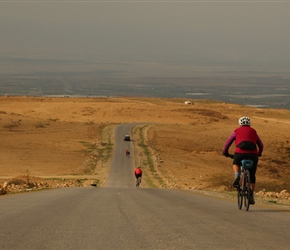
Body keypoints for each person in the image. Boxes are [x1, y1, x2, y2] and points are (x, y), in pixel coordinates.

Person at [223, 116, 264, 204]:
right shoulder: (253, 131)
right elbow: (260, 144)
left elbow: (228, 142)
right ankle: (251, 196)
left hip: (239, 153)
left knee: (236, 162)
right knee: (252, 175)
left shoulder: (236, 131)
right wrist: (259, 153)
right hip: (253, 154)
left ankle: (237, 175)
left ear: (240, 123)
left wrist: (225, 152)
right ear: (249, 123)